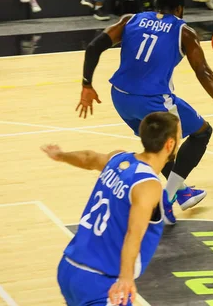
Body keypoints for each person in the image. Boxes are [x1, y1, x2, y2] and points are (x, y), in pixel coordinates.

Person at [76, 0, 213, 224]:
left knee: (160, 146)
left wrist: (87, 84)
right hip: (153, 102)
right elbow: (204, 73)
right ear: (180, 8)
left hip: (121, 98)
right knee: (202, 133)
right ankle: (165, 201)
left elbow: (94, 46)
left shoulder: (130, 20)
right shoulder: (185, 32)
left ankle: (182, 192)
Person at [43, 111, 180, 306]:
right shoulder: (148, 185)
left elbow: (89, 158)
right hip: (102, 282)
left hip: (69, 268)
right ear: (170, 144)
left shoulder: (119, 159)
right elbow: (134, 233)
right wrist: (126, 278)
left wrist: (61, 155)